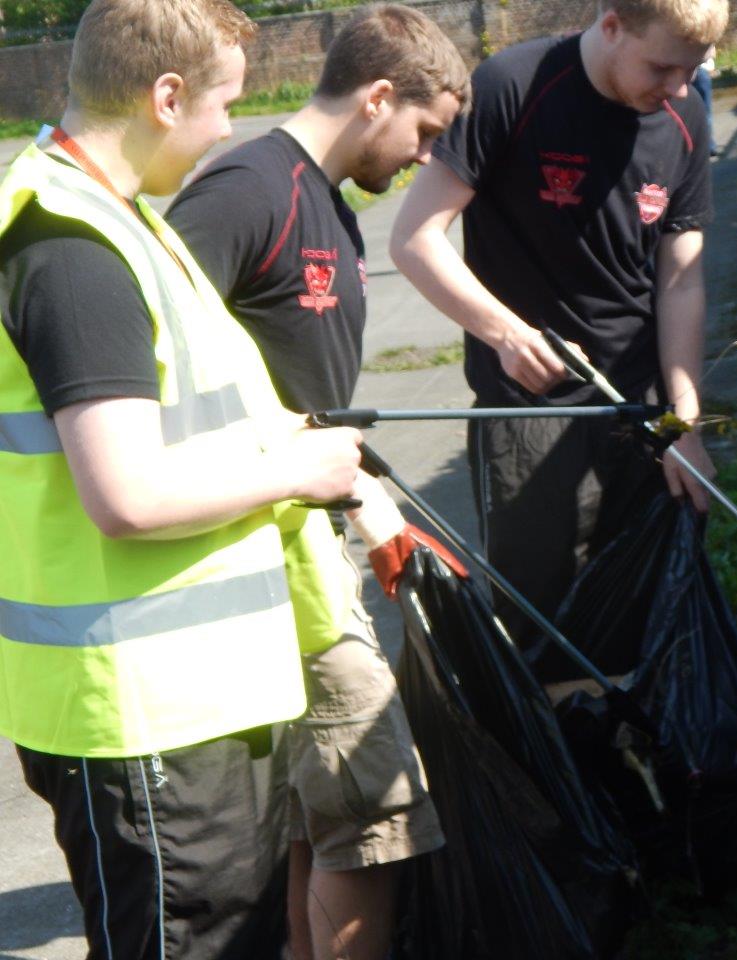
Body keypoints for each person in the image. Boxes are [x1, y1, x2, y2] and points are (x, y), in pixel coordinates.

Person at [0, 1, 366, 957]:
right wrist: (293, 468)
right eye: (225, 106)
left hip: (193, 700)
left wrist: (268, 432)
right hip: (146, 711)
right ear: (166, 97)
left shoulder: (119, 218)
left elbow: (177, 415)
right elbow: (125, 495)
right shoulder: (73, 249)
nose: (228, 132)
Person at [165, 6, 469, 958]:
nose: (425, 157)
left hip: (305, 548)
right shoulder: (247, 191)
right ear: (378, 97)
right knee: (375, 807)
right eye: (423, 131)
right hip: (255, 559)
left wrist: (365, 495)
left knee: (314, 812)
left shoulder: (327, 198)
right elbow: (151, 368)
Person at [389, 0, 726, 659]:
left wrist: (682, 424)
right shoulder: (511, 86)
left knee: (641, 621)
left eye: (692, 72)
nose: (678, 89)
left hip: (637, 410)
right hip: (526, 417)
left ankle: (632, 756)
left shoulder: (683, 116)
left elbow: (681, 280)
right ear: (610, 27)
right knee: (544, 633)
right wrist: (507, 335)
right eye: (662, 67)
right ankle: (563, 757)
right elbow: (413, 239)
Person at [692, 44, 718, 156]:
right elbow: (712, 53)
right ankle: (709, 146)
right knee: (705, 113)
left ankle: (700, 147)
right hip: (701, 72)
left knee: (691, 112)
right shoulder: (706, 35)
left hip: (692, 70)